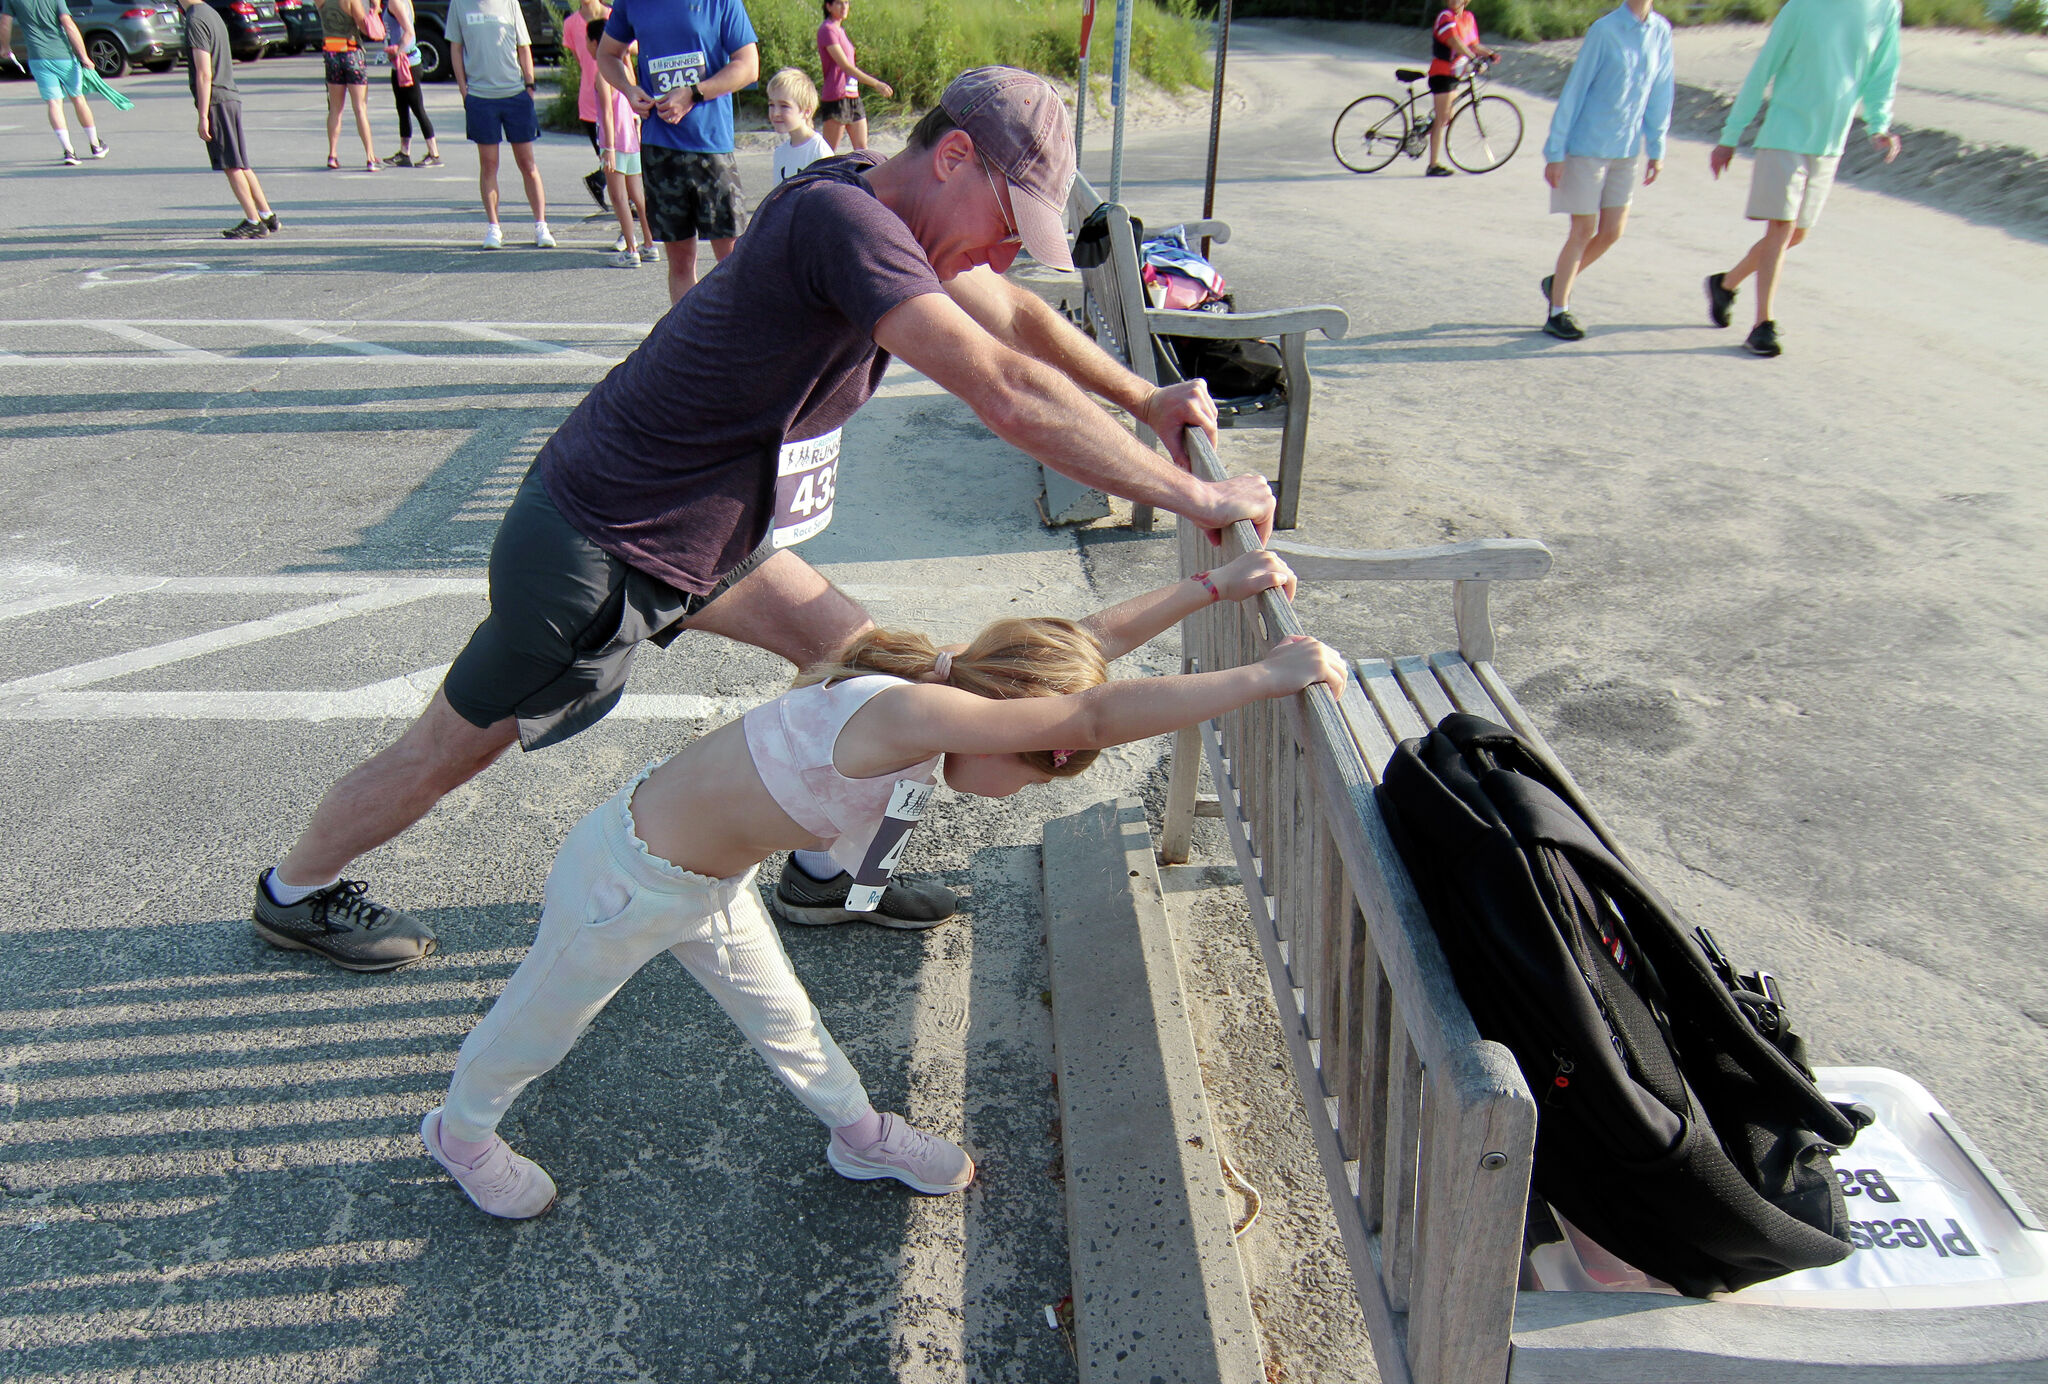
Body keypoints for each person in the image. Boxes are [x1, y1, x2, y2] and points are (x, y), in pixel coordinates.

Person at [248, 66, 1273, 973]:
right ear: (953, 156)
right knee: (443, 751)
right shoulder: (842, 223)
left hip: (711, 537)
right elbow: (1001, 386)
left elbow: (1011, 317)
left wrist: (1145, 402)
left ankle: (828, 879)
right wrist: (1192, 494)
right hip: (596, 546)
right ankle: (294, 892)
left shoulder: (878, 196)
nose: (1008, 251)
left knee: (888, 665)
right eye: (1010, 220)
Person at [418, 552, 1344, 1217]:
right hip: (625, 879)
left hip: (709, 884)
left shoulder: (958, 695)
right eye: (1030, 772)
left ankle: (858, 1135)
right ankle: (459, 1134)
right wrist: (1262, 676)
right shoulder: (910, 712)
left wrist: (1215, 585)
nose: (1011, 789)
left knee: (787, 1019)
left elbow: (1087, 642)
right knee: (537, 1026)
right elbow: (1095, 706)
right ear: (1023, 735)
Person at [1704, 0, 1901, 358]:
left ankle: (1726, 284)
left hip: (1830, 141)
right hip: (1785, 134)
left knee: (1796, 234)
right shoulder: (1802, 6)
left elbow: (1882, 70)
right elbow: (1763, 69)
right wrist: (1730, 136)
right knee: (1781, 228)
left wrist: (1879, 125)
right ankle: (1762, 324)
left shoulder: (1885, 7)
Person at [596, 0, 755, 303]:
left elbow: (748, 65)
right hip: (661, 148)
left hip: (711, 146)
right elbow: (606, 54)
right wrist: (629, 90)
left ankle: (742, 345)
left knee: (734, 261)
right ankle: (689, 344)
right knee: (681, 262)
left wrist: (694, 93)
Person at [1536, 0, 1673, 341]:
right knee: (1583, 230)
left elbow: (1660, 92)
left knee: (1613, 231)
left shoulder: (1661, 32)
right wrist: (1556, 151)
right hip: (1586, 147)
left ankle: (1558, 284)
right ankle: (1558, 311)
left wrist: (1656, 147)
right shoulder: (1604, 31)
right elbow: (1575, 90)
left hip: (1626, 150)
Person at [448, 0, 552, 249]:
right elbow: (455, 48)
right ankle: (494, 227)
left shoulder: (509, 3)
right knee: (489, 164)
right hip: (481, 97)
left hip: (515, 94)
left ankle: (541, 225)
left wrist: (529, 85)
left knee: (527, 164)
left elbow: (523, 46)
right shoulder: (459, 5)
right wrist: (464, 91)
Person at [175, 0, 280, 239]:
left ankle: (254, 221)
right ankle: (266, 214)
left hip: (217, 99)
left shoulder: (195, 19)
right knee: (241, 161)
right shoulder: (210, 12)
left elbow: (204, 72)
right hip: (229, 96)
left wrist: (203, 115)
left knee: (230, 164)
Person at [0, 0, 105, 166]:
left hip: (38, 58)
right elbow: (69, 25)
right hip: (64, 57)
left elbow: (5, 23)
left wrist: (4, 47)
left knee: (54, 103)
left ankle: (69, 150)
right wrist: (84, 57)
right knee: (78, 99)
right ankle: (95, 144)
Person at [594, 41, 654, 266]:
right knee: (638, 197)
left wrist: (608, 148)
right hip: (631, 142)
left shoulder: (603, 75)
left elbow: (607, 114)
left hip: (615, 144)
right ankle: (649, 244)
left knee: (619, 198)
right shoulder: (627, 72)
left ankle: (631, 250)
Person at [1424, 0, 1495, 177]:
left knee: (1447, 117)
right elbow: (1454, 42)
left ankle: (1423, 129)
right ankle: (1433, 165)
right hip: (1441, 72)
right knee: (1442, 119)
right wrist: (1473, 58)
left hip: (1455, 74)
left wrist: (1490, 54)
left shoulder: (1468, 18)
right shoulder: (1445, 17)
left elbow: (1472, 44)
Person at [815, 0, 889, 153]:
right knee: (828, 153)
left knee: (862, 150)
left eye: (847, 3)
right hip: (836, 97)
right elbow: (845, 66)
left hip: (853, 96)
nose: (844, 7)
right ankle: (820, 177)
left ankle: (862, 177)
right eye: (839, 3)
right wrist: (876, 83)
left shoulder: (840, 30)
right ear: (828, 6)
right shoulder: (827, 30)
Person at [377, 0, 440, 167]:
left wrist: (396, 50)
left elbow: (409, 32)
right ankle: (404, 153)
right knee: (402, 108)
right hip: (400, 64)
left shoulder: (396, 2)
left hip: (408, 64)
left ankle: (434, 153)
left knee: (417, 108)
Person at [318, 0, 379, 170]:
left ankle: (332, 154)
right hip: (351, 53)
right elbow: (365, 27)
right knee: (360, 108)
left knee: (335, 109)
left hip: (331, 53)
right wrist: (373, 11)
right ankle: (370, 156)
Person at [563, 0, 610, 212]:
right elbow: (582, 61)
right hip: (590, 101)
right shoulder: (571, 24)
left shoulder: (614, 16)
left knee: (629, 152)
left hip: (619, 97)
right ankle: (604, 183)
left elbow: (634, 47)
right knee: (607, 154)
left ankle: (601, 181)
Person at [767, 65, 831, 184]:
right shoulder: (780, 153)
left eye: (784, 106)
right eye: (771, 105)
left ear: (807, 112)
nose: (775, 113)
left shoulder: (819, 151)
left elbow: (828, 195)